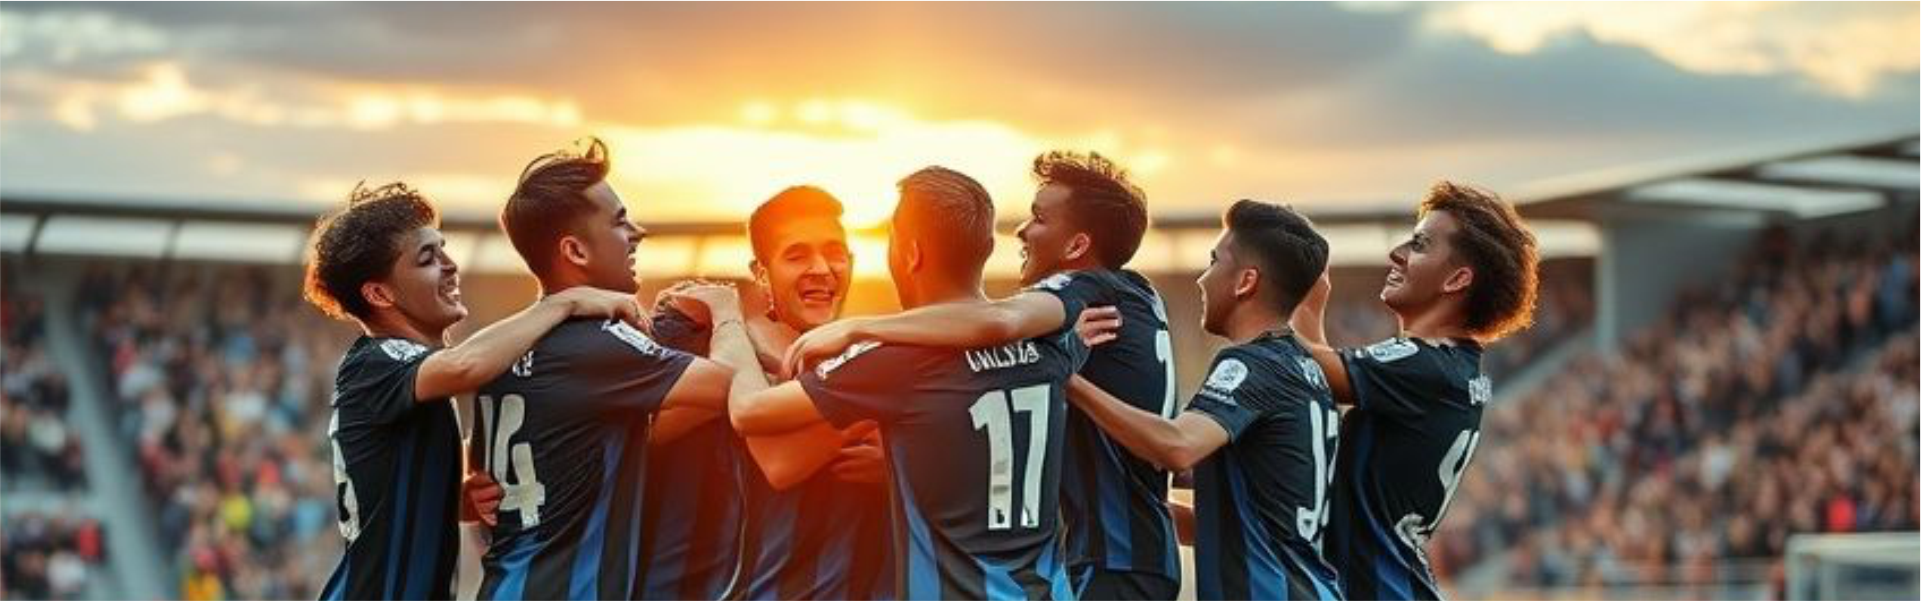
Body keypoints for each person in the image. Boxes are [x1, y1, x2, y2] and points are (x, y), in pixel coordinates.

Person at [782, 151, 1181, 600]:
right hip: (1147, 559)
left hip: (1106, 567)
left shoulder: (1082, 290)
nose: (1022, 230)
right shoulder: (1142, 295)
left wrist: (859, 327)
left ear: (1076, 247)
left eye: (1039, 218)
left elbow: (997, 322)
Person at [732, 167, 1089, 600]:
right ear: (987, 248)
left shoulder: (897, 362)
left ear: (910, 254)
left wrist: (728, 320)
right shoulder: (1052, 342)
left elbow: (753, 416)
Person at [305, 181, 642, 601]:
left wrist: (451, 498)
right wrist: (564, 303)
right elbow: (468, 364)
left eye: (443, 249)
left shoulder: (405, 373)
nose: (450, 265)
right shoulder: (376, 361)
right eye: (427, 258)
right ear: (379, 293)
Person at [468, 139, 767, 601]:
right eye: (619, 221)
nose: (637, 232)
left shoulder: (503, 350)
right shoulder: (596, 343)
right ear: (575, 250)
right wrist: (726, 310)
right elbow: (732, 388)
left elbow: (481, 485)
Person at [1066, 200, 1343, 601]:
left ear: (1246, 281)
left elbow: (1176, 447)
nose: (1202, 279)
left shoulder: (1253, 364)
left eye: (1214, 261)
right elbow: (1222, 526)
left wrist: (1065, 377)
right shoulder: (1304, 370)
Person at [1290, 181, 1539, 601]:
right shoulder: (1451, 366)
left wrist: (1290, 286)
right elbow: (1316, 371)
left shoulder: (1423, 365)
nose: (1397, 253)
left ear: (1457, 278)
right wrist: (1310, 301)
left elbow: (1300, 363)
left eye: (1419, 244)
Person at [643, 185, 892, 601]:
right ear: (761, 273)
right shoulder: (703, 343)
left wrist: (900, 469)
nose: (821, 268)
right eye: (797, 255)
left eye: (834, 253)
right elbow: (635, 438)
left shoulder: (872, 365)